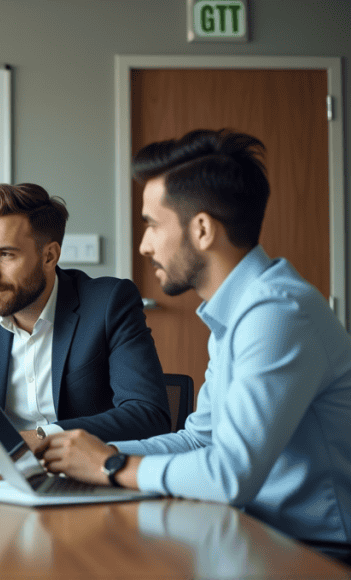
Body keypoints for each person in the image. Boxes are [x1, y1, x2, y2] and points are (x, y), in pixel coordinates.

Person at [38, 129, 351, 549]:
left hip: (314, 552)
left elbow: (229, 474)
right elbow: (198, 439)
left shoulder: (277, 315)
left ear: (202, 230)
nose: (145, 246)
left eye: (151, 224)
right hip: (253, 537)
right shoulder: (237, 313)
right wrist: (74, 452)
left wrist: (110, 465)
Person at [0, 183, 170, 449]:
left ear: (49, 256)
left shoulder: (108, 303)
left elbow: (147, 414)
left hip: (89, 476)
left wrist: (36, 437)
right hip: (3, 480)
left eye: (6, 255)